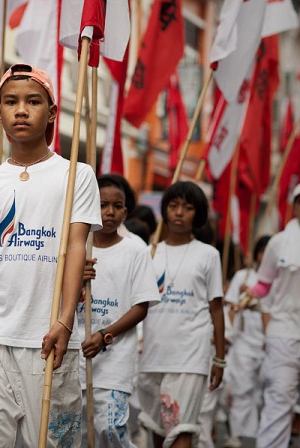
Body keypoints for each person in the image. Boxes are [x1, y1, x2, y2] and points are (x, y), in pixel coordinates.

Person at [0, 64, 101, 447]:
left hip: (50, 338)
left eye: (33, 101)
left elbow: (76, 246)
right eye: (11, 102)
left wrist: (65, 321)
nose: (21, 110)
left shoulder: (77, 175)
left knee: (54, 442)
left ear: (52, 112)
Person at [137, 181, 225, 448]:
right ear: (164, 210)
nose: (179, 213)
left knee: (181, 432)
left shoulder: (208, 255)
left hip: (190, 356)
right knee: (158, 429)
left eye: (187, 208)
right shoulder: (149, 253)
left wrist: (219, 359)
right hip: (152, 356)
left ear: (197, 214)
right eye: (173, 206)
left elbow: (216, 307)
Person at [78, 174, 160, 447]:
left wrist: (105, 335)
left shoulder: (136, 249)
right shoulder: (75, 246)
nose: (109, 212)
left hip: (114, 361)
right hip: (73, 358)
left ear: (126, 211)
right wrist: (76, 277)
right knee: (73, 433)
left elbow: (141, 306)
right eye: (102, 205)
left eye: (116, 206)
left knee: (110, 429)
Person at [250, 184, 300, 448]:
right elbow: (264, 284)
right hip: (284, 333)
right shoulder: (279, 243)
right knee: (279, 400)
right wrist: (247, 295)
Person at [222, 236, 270, 446]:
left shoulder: (280, 279)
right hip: (244, 341)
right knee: (241, 388)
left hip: (271, 343)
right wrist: (229, 335)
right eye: (263, 251)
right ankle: (237, 435)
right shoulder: (244, 276)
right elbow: (231, 307)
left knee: (266, 392)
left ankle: (266, 433)